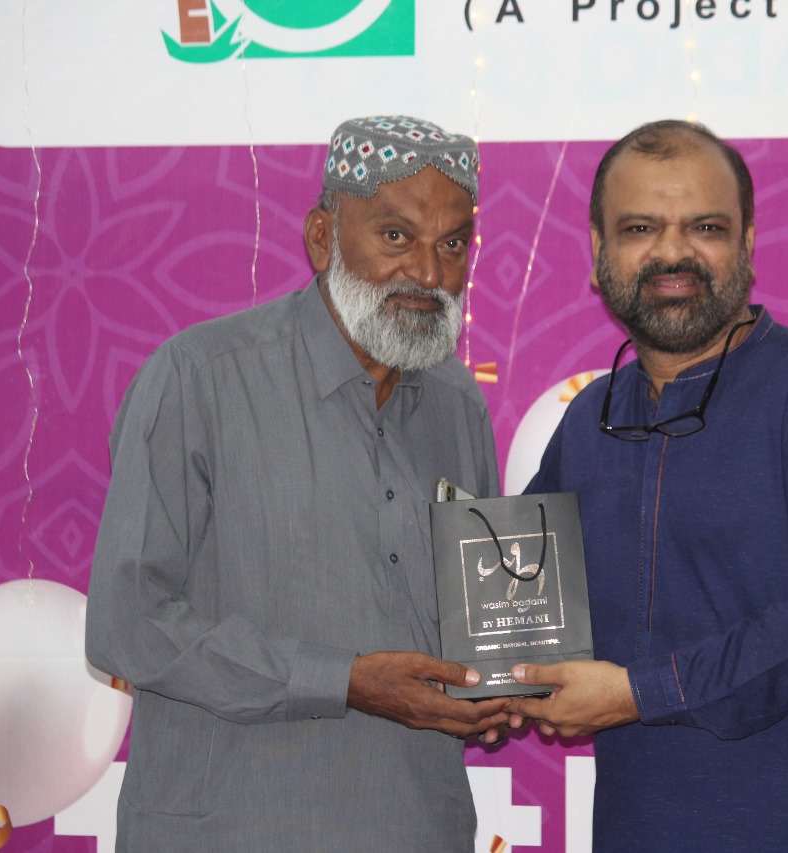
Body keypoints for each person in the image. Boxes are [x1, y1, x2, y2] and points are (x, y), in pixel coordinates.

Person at [507, 120, 788, 850]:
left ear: (747, 243)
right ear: (597, 250)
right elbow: (520, 603)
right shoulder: (591, 421)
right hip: (642, 830)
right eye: (640, 227)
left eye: (705, 227)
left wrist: (640, 693)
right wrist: (488, 680)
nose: (672, 252)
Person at [86, 115, 511, 852]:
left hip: (415, 825)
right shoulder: (200, 377)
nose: (428, 274)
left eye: (452, 244)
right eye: (396, 236)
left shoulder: (458, 405)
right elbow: (129, 623)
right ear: (323, 237)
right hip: (232, 831)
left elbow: (476, 626)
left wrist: (497, 683)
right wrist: (342, 679)